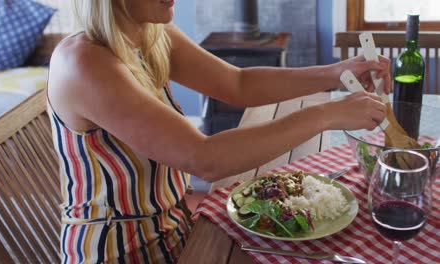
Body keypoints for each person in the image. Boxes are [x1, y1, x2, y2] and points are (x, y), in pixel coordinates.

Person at [47, 1, 391, 263]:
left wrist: (337, 72)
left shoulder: (150, 32)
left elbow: (237, 83)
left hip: (174, 229)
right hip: (118, 249)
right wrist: (329, 114)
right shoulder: (84, 63)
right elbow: (205, 158)